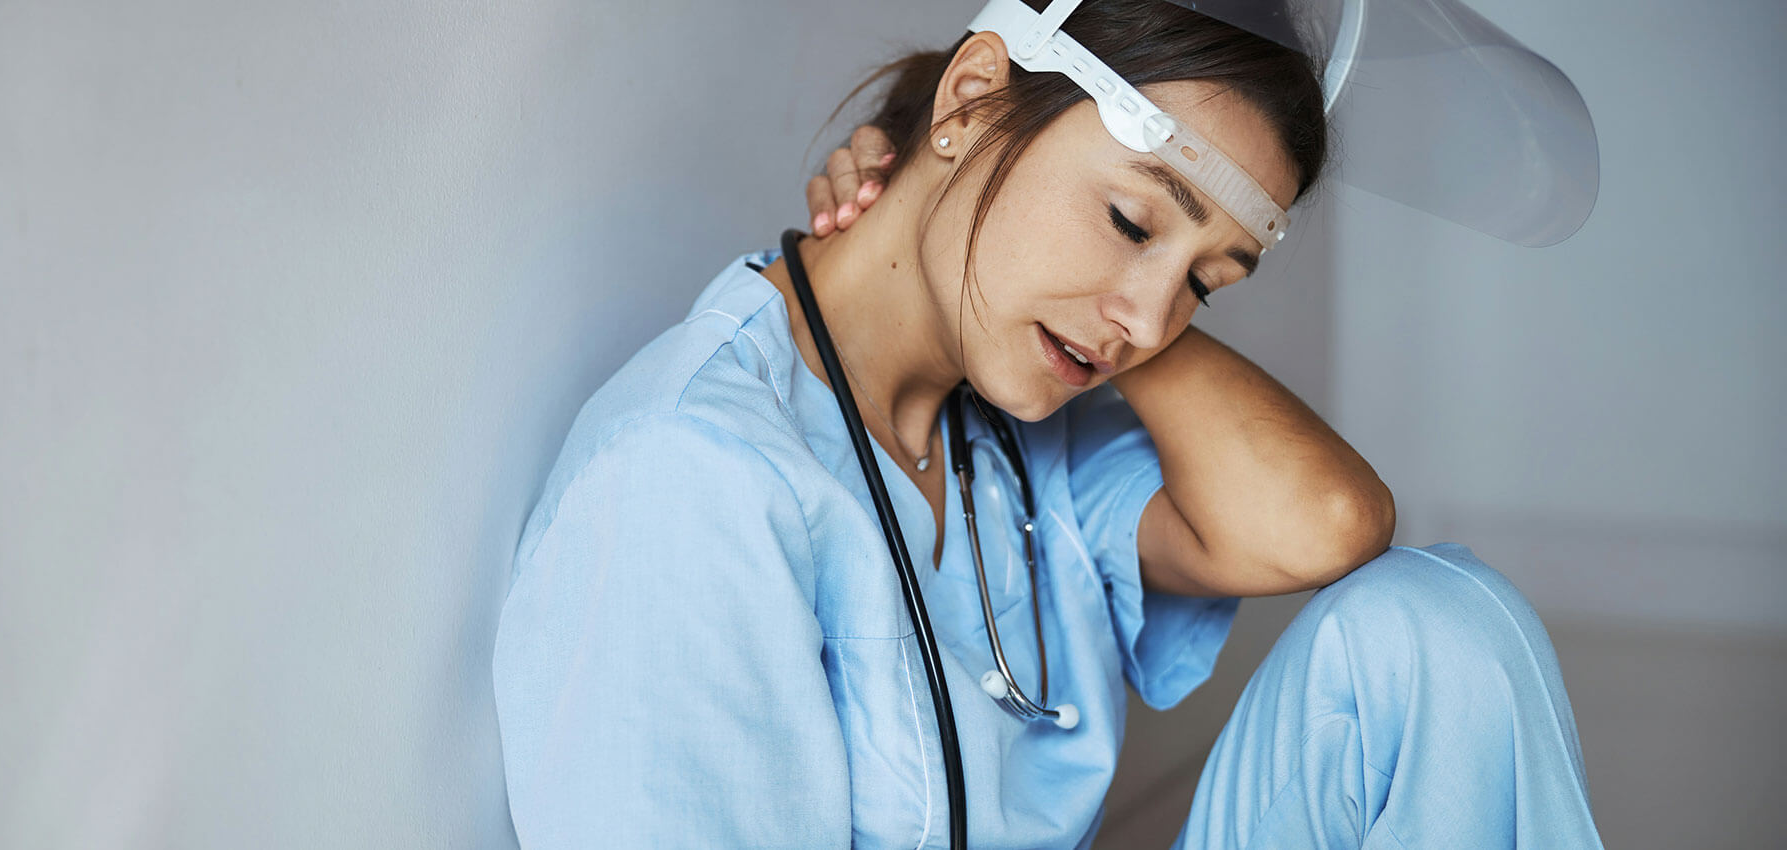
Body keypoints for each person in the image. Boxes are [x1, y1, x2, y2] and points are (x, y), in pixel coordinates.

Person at [495, 1, 1605, 846]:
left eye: (1208, 282)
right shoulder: (694, 480)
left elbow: (1329, 520)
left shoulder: (1025, 439)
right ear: (974, 93)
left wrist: (1114, 288)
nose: (1150, 319)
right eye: (1129, 218)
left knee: (1439, 631)